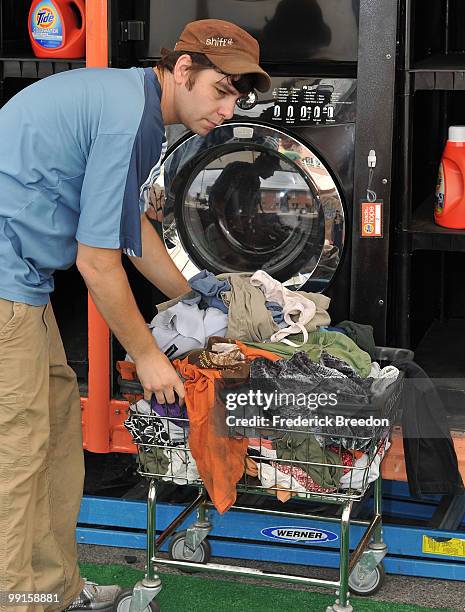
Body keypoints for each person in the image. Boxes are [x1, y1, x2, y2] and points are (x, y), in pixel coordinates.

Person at [0, 19, 270, 612]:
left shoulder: (136, 109)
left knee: (52, 437)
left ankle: (51, 593)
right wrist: (149, 358)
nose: (228, 109)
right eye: (220, 89)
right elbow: (96, 262)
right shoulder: (128, 119)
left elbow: (130, 232)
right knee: (19, 451)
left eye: (237, 97)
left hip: (21, 281)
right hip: (6, 283)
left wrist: (195, 298)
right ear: (181, 70)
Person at [208, 152, 280, 239]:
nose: (272, 174)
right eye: (272, 169)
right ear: (264, 163)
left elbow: (252, 209)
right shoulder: (236, 169)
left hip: (240, 228)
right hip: (226, 226)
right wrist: (227, 225)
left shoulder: (256, 182)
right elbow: (217, 199)